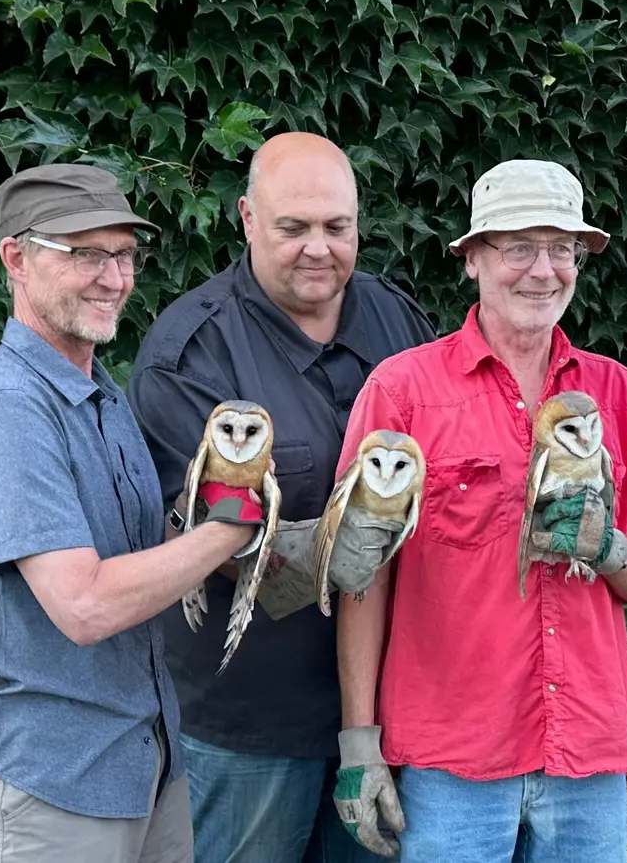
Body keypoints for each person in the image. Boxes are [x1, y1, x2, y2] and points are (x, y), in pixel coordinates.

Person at [329, 158, 627, 861]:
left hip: (588, 756)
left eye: (563, 249)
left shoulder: (619, 398)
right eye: (518, 246)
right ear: (473, 259)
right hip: (453, 760)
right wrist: (358, 745)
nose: (543, 269)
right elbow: (362, 581)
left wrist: (604, 546)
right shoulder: (405, 393)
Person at [0, 163, 267, 863]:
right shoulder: (7, 410)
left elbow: (139, 554)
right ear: (15, 259)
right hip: (50, 788)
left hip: (145, 772)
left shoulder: (101, 395)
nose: (114, 277)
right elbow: (83, 606)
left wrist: (213, 505)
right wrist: (231, 528)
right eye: (85, 254)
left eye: (122, 254)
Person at [129, 132, 435, 863]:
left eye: (337, 227)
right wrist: (328, 552)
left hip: (390, 711)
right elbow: (209, 545)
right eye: (293, 227)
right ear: (246, 218)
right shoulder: (190, 353)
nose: (318, 248)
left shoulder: (398, 320)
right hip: (252, 722)